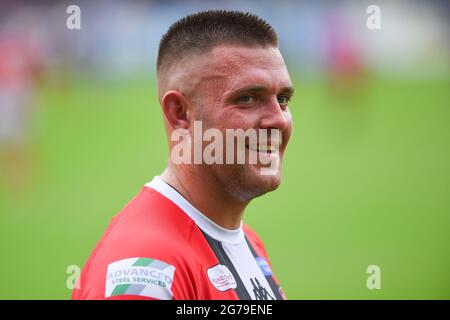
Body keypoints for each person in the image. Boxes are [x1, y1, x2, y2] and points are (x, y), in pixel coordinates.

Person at [73, 10, 294, 300]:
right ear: (180, 113)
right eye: (247, 98)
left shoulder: (248, 242)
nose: (278, 120)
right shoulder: (148, 269)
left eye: (282, 99)